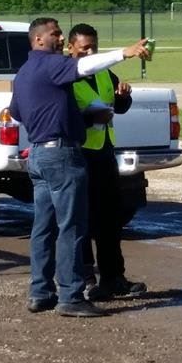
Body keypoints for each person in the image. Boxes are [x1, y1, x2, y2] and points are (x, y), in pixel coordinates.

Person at [9, 17, 149, 318]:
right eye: (55, 34)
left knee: (44, 227)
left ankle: (40, 292)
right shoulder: (53, 64)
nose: (60, 38)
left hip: (39, 154)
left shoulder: (23, 73)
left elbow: (17, 112)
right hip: (62, 155)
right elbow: (84, 66)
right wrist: (125, 52)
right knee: (71, 227)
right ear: (38, 39)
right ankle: (71, 296)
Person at [66, 23, 148, 301]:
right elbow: (63, 117)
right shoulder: (66, 76)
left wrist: (124, 96)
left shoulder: (103, 72)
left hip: (104, 152)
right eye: (83, 48)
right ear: (70, 48)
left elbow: (119, 107)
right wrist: (90, 118)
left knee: (110, 219)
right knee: (81, 220)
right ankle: (86, 280)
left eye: (94, 47)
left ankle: (114, 279)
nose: (90, 53)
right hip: (79, 154)